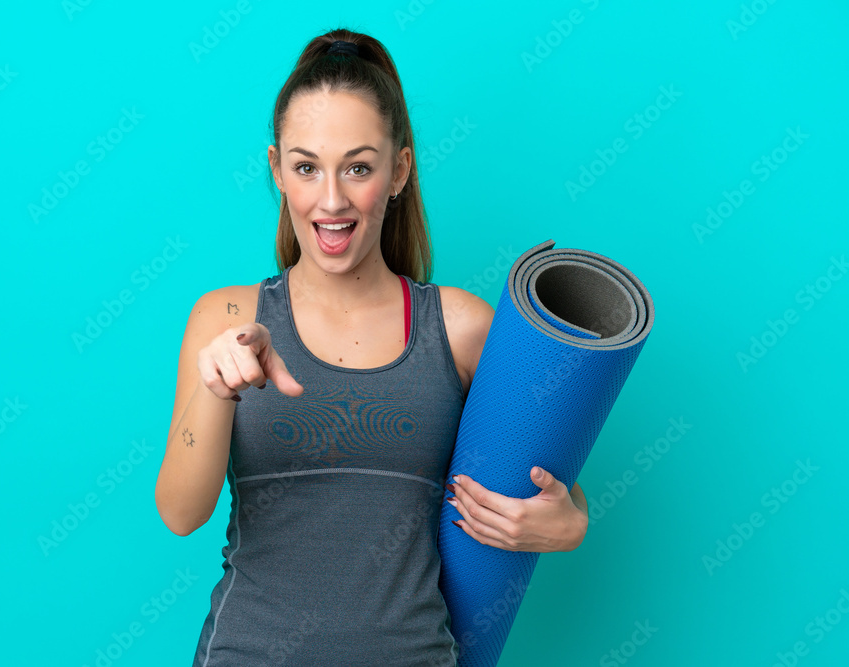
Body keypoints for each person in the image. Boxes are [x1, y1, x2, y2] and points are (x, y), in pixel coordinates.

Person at [154, 28, 590, 667]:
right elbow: (180, 513)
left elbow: (545, 474)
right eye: (307, 168)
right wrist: (217, 389)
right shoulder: (225, 315)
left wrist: (573, 523)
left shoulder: (463, 327)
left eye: (358, 167)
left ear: (399, 172)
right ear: (277, 169)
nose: (331, 201)